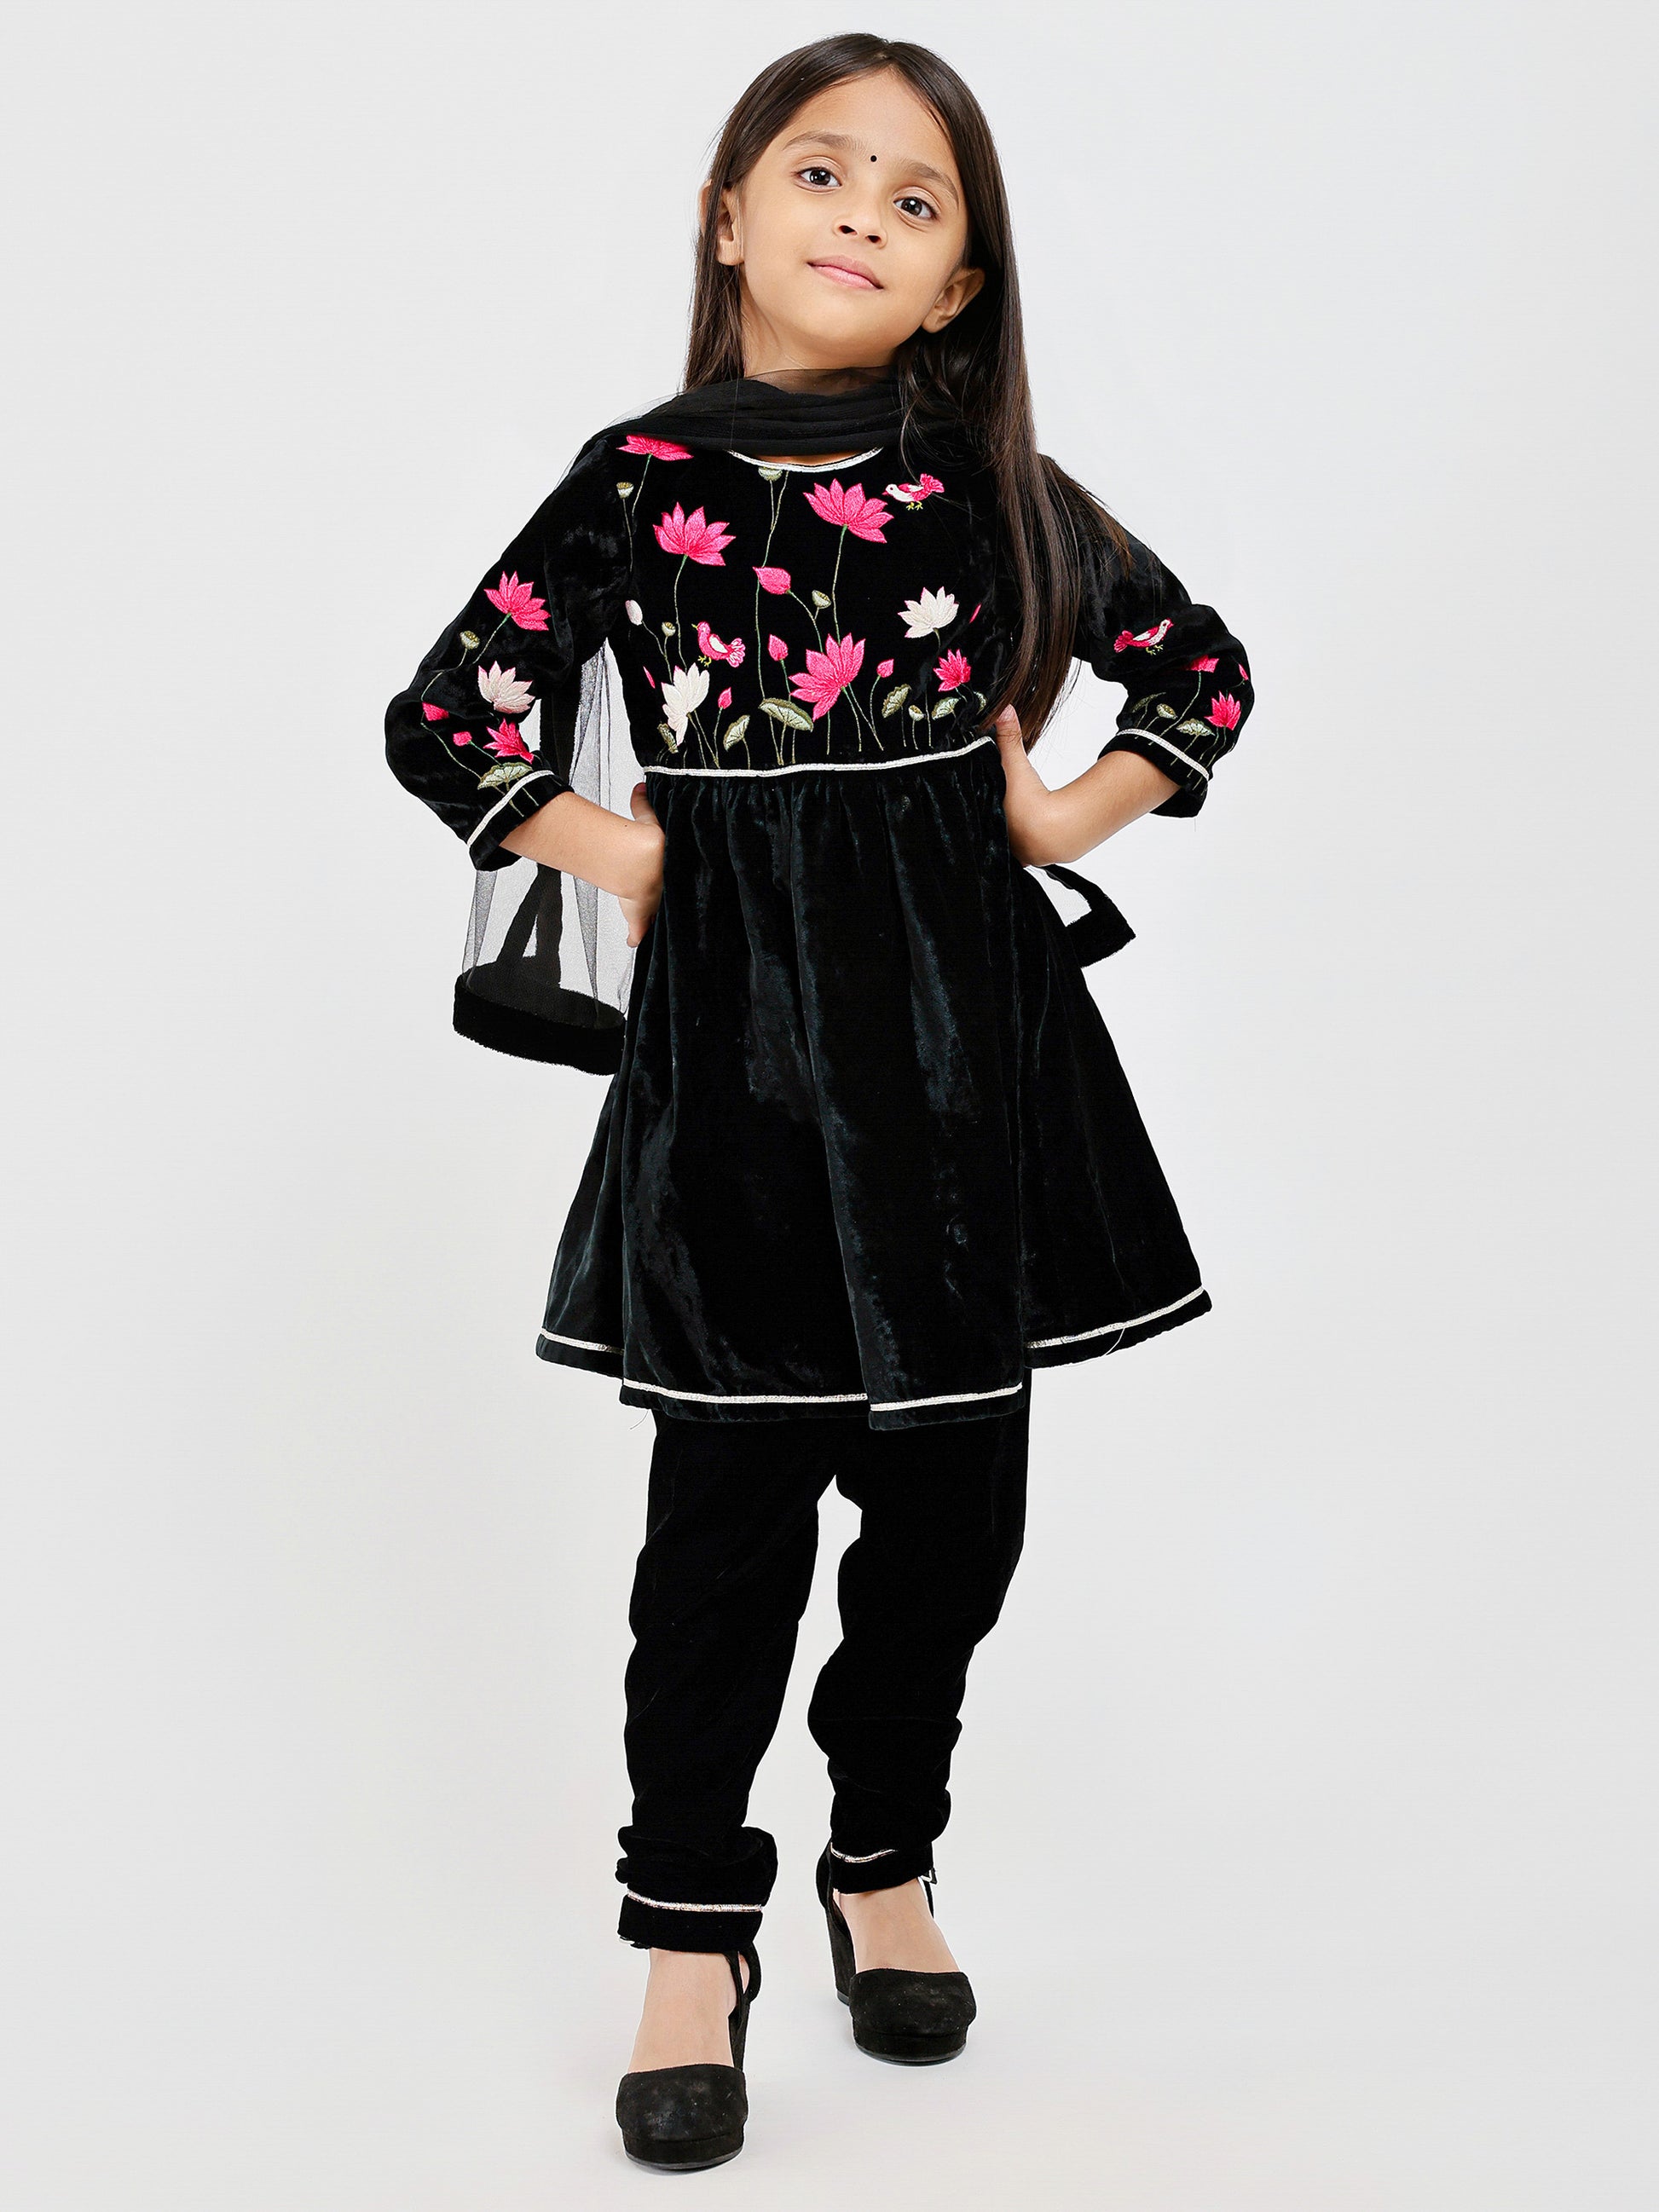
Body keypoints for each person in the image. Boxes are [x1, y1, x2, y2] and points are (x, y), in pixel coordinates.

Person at [384, 33, 1253, 2172]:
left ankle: (884, 1857)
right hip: (740, 1084)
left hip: (966, 1073)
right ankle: (691, 1934)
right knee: (723, 1531)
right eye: (819, 169)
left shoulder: (986, 487)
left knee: (953, 1517)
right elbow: (450, 710)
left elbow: (1199, 663)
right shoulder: (633, 484)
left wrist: (1061, 811)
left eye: (914, 197)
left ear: (959, 282)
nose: (860, 212)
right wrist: (630, 846)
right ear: (728, 215)